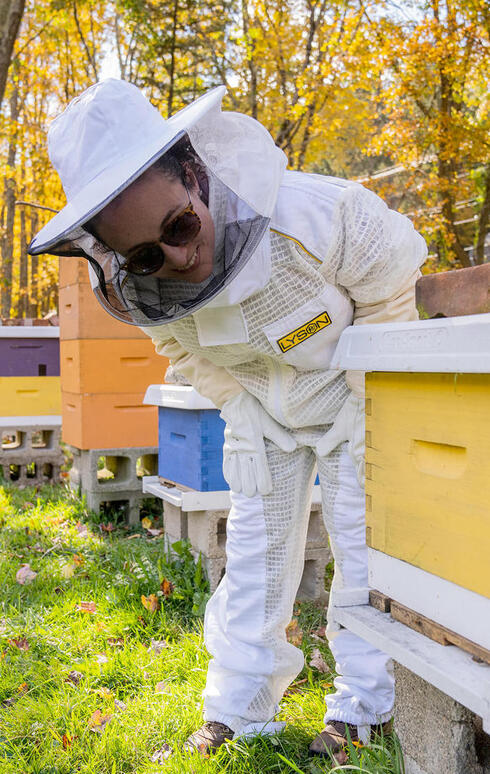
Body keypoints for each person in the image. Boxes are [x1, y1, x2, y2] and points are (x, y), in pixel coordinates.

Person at [29, 78, 427, 757]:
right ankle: (240, 712)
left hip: (359, 404)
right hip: (265, 416)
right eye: (147, 255)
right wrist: (244, 407)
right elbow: (178, 348)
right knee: (255, 561)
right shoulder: (148, 288)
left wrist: (373, 407)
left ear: (194, 172)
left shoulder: (320, 219)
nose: (177, 259)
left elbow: (392, 292)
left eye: (180, 227)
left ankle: (364, 711)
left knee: (363, 558)